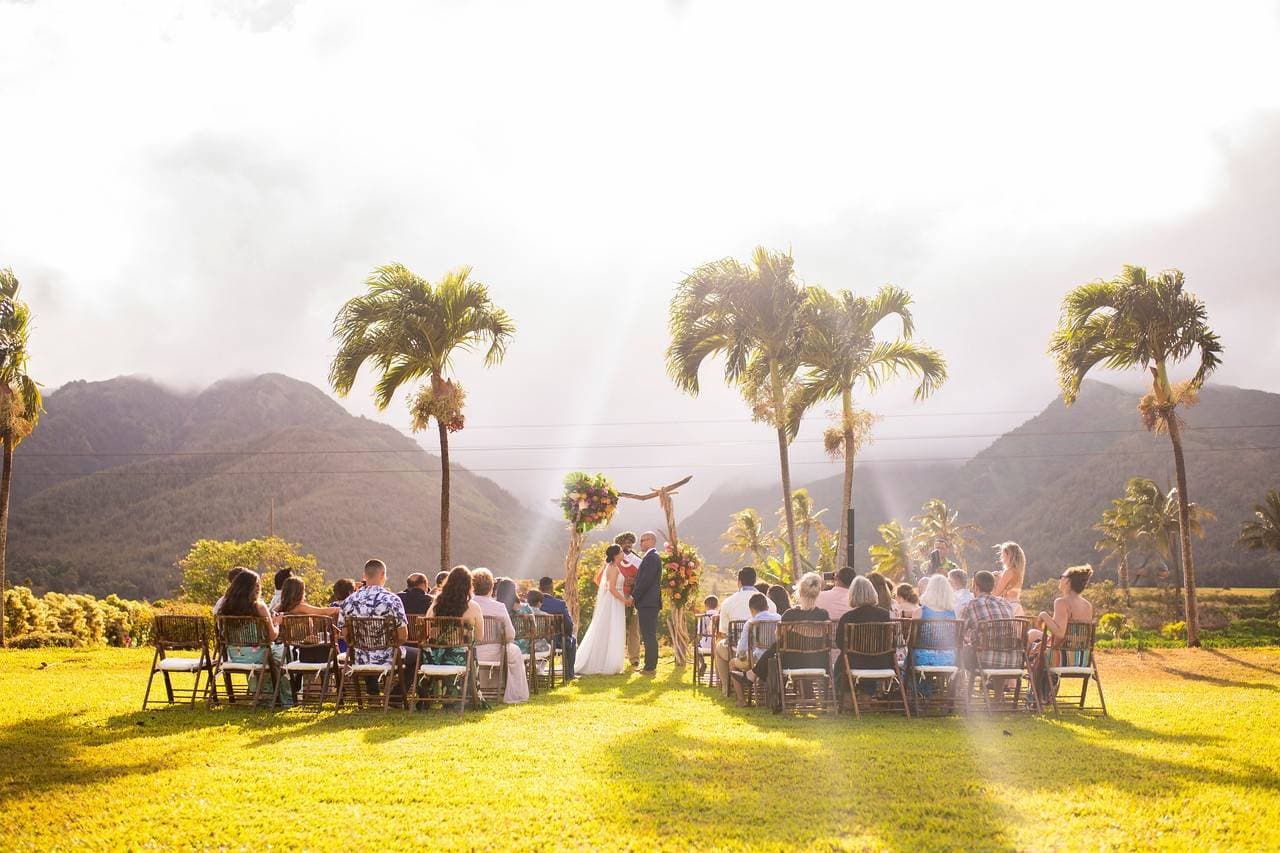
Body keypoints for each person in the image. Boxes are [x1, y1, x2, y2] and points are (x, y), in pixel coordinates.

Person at [336, 559, 418, 698]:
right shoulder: (392, 600)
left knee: (365, 647)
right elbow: (403, 636)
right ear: (382, 574)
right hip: (387, 656)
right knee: (418, 656)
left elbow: (346, 635)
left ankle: (373, 695)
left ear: (364, 576)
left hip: (359, 657)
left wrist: (365, 644)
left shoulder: (349, 601)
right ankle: (396, 697)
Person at [214, 568, 279, 700]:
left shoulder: (225, 607)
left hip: (235, 655)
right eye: (257, 584)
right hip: (258, 656)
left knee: (275, 652)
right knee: (284, 652)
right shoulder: (259, 607)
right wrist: (277, 624)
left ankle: (258, 692)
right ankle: (281, 697)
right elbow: (272, 637)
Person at [712, 566, 777, 693]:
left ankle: (726, 687)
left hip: (741, 650)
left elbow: (724, 632)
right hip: (768, 650)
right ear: (755, 581)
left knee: (719, 646)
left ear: (739, 581)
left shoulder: (728, 602)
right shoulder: (769, 602)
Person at [469, 568, 530, 703]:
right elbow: (510, 635)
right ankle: (514, 693)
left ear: (472, 587)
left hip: (471, 653)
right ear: (491, 587)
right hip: (496, 653)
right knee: (515, 650)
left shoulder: (466, 606)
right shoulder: (499, 607)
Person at [834, 577, 894, 701]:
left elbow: (840, 643)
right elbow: (891, 642)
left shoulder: (848, 617)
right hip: (881, 663)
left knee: (842, 661)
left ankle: (847, 697)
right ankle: (866, 696)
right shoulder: (884, 615)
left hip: (854, 663)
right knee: (868, 656)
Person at [576, 545, 629, 675]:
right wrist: (625, 600)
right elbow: (611, 588)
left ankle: (612, 661)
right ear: (616, 555)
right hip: (613, 602)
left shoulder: (615, 567)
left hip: (616, 601)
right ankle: (604, 663)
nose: (623, 554)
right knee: (609, 629)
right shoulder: (612, 568)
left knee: (613, 629)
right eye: (621, 552)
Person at [1032, 564, 1095, 664]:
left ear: (1067, 581)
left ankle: (1030, 677)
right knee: (1034, 634)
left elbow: (1060, 634)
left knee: (1031, 637)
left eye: (1062, 577)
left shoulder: (1061, 602)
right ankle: (1046, 678)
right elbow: (1067, 636)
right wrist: (1048, 642)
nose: (1060, 579)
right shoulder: (1087, 605)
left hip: (1063, 657)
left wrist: (1043, 615)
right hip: (1082, 659)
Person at [960, 569, 1018, 675]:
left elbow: (959, 631)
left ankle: (961, 690)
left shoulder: (971, 604)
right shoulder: (1005, 603)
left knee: (961, 652)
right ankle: (999, 692)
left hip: (985, 660)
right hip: (1013, 660)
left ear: (975, 586)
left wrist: (969, 636)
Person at [728, 593, 781, 705]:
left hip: (757, 659)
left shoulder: (751, 623)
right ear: (767, 607)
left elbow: (742, 647)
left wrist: (737, 654)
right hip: (777, 657)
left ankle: (741, 700)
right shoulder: (779, 618)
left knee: (732, 663)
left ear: (752, 610)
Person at [629, 531, 664, 674]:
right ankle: (649, 665)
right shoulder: (650, 557)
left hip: (648, 602)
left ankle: (650, 667)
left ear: (650, 541)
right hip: (649, 602)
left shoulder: (651, 558)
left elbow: (645, 581)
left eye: (643, 540)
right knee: (648, 633)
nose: (640, 543)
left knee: (648, 634)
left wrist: (633, 596)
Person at [913, 575, 957, 669]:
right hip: (948, 658)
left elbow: (912, 639)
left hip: (923, 658)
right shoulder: (952, 613)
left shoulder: (920, 612)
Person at [537, 577, 576, 681]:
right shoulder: (560, 604)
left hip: (535, 642)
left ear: (539, 588)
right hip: (556, 641)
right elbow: (569, 625)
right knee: (572, 639)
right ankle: (569, 674)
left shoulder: (533, 604)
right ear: (552, 588)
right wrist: (567, 635)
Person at [615, 531, 642, 668]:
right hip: (618, 599)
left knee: (634, 630)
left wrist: (634, 581)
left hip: (633, 599)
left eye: (630, 542)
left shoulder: (637, 560)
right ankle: (615, 656)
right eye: (625, 542)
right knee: (617, 628)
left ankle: (634, 658)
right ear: (619, 544)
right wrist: (623, 582)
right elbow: (604, 580)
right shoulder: (614, 560)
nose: (628, 545)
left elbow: (643, 579)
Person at [494, 577, 531, 654]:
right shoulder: (526, 608)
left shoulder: (496, 609)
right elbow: (533, 628)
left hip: (500, 647)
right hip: (523, 648)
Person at [993, 541, 1027, 616]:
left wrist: (994, 580)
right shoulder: (1018, 572)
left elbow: (996, 594)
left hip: (1009, 608)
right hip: (1017, 606)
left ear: (1009, 556)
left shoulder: (1008, 572)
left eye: (1003, 554)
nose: (1001, 557)